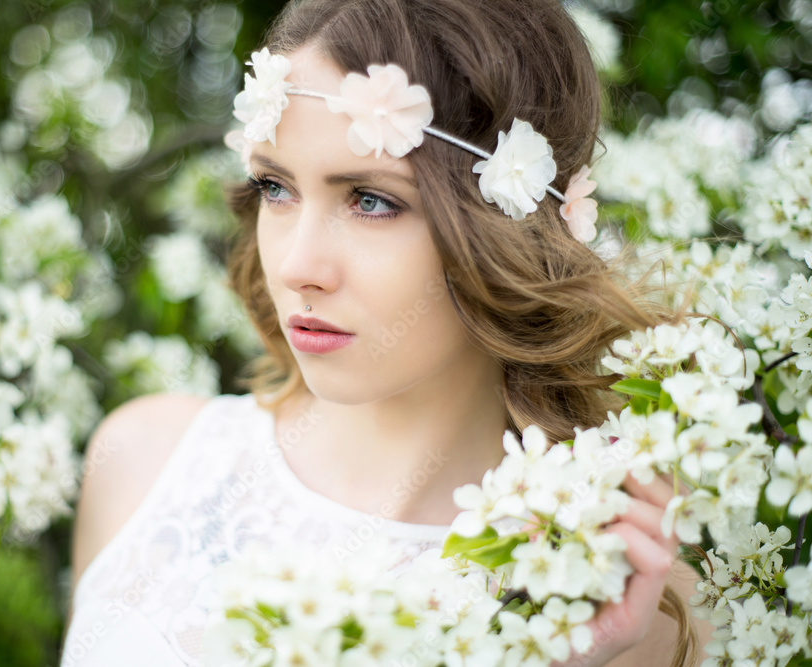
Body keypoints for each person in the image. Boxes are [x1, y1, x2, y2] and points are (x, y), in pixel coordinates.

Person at [61, 0, 714, 665]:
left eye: (371, 200)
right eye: (275, 187)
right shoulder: (145, 464)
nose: (297, 266)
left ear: (509, 228)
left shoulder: (627, 603)